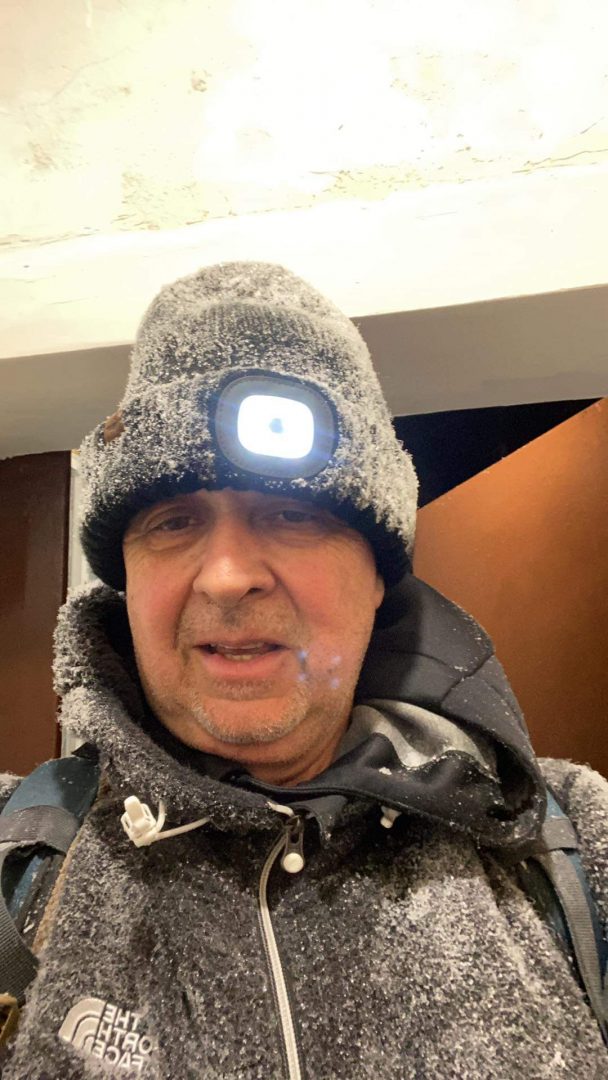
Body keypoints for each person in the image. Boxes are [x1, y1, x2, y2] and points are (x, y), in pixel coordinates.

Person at [1, 262, 606, 1079]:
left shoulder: (576, 845)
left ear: (378, 574)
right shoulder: (18, 859)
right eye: (174, 522)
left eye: (291, 513)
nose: (227, 577)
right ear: (127, 581)